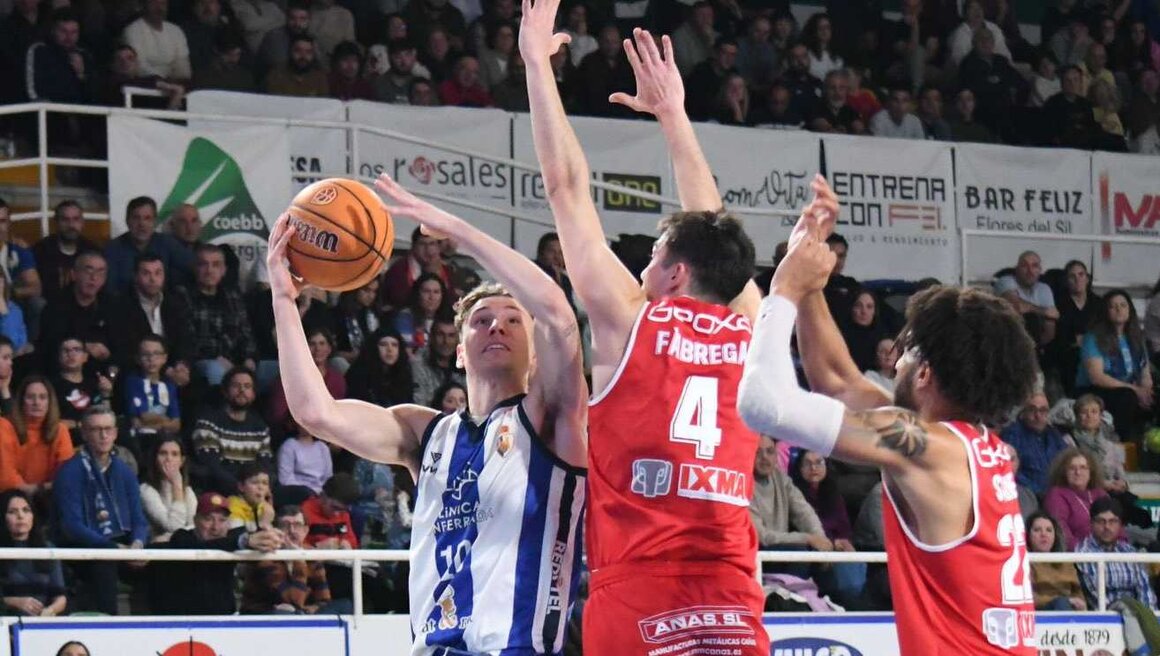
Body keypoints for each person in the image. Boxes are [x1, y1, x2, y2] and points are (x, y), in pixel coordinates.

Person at [522, 5, 768, 651]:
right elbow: (716, 232)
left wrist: (535, 68)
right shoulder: (754, 325)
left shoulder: (631, 321)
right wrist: (673, 115)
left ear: (678, 274)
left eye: (654, 256)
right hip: (733, 593)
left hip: (638, 589)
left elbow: (566, 188)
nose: (644, 266)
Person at [270, 172, 587, 652]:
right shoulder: (426, 433)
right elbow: (316, 413)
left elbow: (558, 314)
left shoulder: (550, 417)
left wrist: (458, 232)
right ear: (459, 351)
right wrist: (283, 299)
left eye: (511, 319)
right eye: (481, 321)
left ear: (535, 351)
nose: (496, 326)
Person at [739, 183, 1040, 652]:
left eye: (901, 353)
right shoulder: (968, 445)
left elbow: (764, 403)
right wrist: (812, 271)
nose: (890, 363)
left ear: (923, 373)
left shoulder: (928, 448)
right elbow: (837, 383)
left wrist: (783, 289)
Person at [53, 408, 150, 615]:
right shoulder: (70, 471)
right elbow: (72, 526)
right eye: (96, 429)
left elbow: (139, 521)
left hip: (121, 546)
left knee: (164, 559)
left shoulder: (124, 471)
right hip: (83, 549)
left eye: (107, 429)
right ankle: (108, 626)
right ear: (84, 433)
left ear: (115, 433)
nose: (103, 435)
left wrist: (138, 544)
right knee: (103, 562)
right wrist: (112, 548)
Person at [149, 491, 282, 615]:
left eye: (222, 520)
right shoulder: (182, 537)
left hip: (224, 623)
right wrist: (245, 541)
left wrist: (265, 527)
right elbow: (206, 547)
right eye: (208, 519)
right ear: (195, 520)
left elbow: (249, 541)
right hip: (183, 624)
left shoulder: (231, 540)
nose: (216, 527)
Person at [240, 504, 349, 614]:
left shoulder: (312, 555)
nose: (292, 531)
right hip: (263, 615)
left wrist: (308, 610)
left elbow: (324, 599)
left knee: (345, 605)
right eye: (285, 525)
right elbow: (293, 600)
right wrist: (299, 560)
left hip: (299, 613)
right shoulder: (267, 556)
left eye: (297, 525)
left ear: (305, 530)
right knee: (285, 614)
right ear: (276, 530)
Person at [1076, 289, 1154, 439]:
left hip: (1129, 389)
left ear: (1130, 309)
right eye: (1113, 306)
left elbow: (1145, 372)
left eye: (1123, 305)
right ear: (1105, 311)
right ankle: (1123, 444)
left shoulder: (1136, 337)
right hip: (1095, 390)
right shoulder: (1093, 338)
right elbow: (1097, 377)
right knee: (1127, 397)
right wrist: (1135, 390)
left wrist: (1146, 391)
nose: (1119, 309)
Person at [190, 366, 273, 494]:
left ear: (253, 394)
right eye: (236, 385)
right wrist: (241, 488)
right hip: (219, 491)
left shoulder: (260, 428)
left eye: (247, 386)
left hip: (252, 492)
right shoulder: (208, 422)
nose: (242, 390)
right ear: (225, 391)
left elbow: (264, 467)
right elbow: (211, 466)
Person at [1076, 497, 1157, 609]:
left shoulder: (1129, 551)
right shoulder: (1083, 552)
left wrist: (1147, 615)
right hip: (1107, 618)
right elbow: (1095, 596)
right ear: (1091, 523)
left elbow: (1144, 588)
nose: (1107, 527)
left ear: (1120, 524)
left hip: (1138, 614)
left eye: (1113, 521)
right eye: (1101, 521)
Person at [0, 376, 74, 496]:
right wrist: (33, 489)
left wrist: (40, 489)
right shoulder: (4, 426)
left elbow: (66, 476)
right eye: (30, 397)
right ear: (21, 401)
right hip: (12, 497)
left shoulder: (60, 430)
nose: (37, 402)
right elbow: (6, 478)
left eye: (42, 397)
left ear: (50, 402)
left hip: (49, 496)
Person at [0, 489, 68, 616]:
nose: (21, 516)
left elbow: (60, 596)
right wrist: (14, 602)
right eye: (12, 512)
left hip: (40, 623)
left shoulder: (47, 548)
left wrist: (50, 610)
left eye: (26, 510)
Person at [1002, 392, 1073, 496]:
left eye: (1043, 410)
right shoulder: (1013, 434)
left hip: (1057, 495)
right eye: (1032, 410)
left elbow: (1068, 460)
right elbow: (1010, 470)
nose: (1038, 415)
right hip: (1028, 495)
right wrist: (1038, 492)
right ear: (1023, 412)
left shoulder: (1053, 434)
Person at [1043, 448, 1109, 549]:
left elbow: (1117, 525)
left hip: (1109, 552)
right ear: (1064, 472)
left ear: (1091, 472)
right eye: (1072, 468)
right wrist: (1086, 551)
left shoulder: (1100, 494)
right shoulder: (1056, 494)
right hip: (1079, 555)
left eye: (1083, 467)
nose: (1078, 472)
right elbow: (1061, 531)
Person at [138, 436, 196, 542]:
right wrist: (177, 486)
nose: (169, 458)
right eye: (163, 453)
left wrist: (168, 537)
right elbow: (174, 526)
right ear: (155, 459)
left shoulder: (188, 491)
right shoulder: (145, 490)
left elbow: (194, 527)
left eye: (174, 454)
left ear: (182, 461)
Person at [122, 335, 181, 435]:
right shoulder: (133, 383)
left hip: (165, 439)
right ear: (137, 358)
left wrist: (156, 424)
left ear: (165, 358)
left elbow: (176, 424)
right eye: (145, 354)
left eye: (157, 354)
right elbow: (142, 417)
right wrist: (164, 420)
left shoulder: (169, 386)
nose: (151, 359)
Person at [1026, 511, 1085, 611]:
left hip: (1068, 611)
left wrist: (1080, 604)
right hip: (1039, 615)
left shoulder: (1066, 562)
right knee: (1061, 603)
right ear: (1028, 535)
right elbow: (1028, 598)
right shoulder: (1023, 562)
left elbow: (1077, 593)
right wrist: (1066, 601)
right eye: (1037, 530)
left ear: (1055, 535)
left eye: (1049, 530)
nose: (1043, 534)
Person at [344, 327, 414, 407]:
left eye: (394, 345)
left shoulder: (403, 374)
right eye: (383, 344)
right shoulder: (359, 374)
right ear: (374, 348)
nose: (390, 349)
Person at [227, 462, 274, 532]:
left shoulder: (265, 508)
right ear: (241, 486)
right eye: (254, 482)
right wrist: (264, 523)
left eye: (265, 483)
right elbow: (239, 539)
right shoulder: (233, 506)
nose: (260, 487)